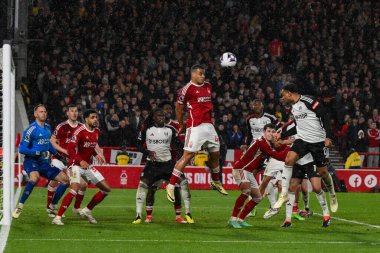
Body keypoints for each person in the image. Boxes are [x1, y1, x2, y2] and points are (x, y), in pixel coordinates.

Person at [166, 65, 227, 203]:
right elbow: (179, 108)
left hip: (209, 125)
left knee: (216, 153)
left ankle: (216, 181)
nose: (203, 76)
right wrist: (182, 124)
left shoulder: (208, 86)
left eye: (204, 74)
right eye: (200, 74)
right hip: (195, 126)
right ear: (193, 74)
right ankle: (170, 185)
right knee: (187, 155)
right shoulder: (186, 90)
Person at [274, 83, 338, 213]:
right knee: (288, 160)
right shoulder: (294, 107)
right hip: (303, 140)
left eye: (283, 95)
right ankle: (284, 194)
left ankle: (332, 194)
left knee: (323, 173)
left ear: (289, 93)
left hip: (317, 141)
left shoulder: (308, 101)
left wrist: (328, 137)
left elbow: (324, 116)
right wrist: (282, 134)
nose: (282, 98)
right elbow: (297, 125)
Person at [52, 109, 110, 225]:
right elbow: (70, 149)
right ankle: (57, 217)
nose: (95, 120)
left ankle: (87, 210)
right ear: (86, 119)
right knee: (74, 188)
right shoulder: (79, 131)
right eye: (93, 117)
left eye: (96, 117)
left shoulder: (96, 132)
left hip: (86, 166)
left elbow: (90, 147)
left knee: (106, 189)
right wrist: (81, 160)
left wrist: (97, 155)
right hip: (74, 165)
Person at [132, 109, 190, 224]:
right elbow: (138, 145)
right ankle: (140, 215)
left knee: (180, 185)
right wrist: (148, 152)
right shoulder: (146, 129)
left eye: (163, 115)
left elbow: (178, 144)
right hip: (152, 165)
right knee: (145, 186)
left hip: (168, 164)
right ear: (154, 117)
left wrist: (183, 156)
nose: (162, 117)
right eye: (159, 115)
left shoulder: (170, 129)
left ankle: (182, 215)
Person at [12, 104, 69, 219]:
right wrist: (37, 153)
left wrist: (59, 156)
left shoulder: (47, 127)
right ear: (35, 114)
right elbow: (22, 149)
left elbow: (48, 145)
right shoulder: (31, 129)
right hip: (31, 161)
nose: (43, 113)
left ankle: (52, 206)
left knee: (65, 180)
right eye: (41, 111)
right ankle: (20, 206)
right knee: (34, 178)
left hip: (44, 163)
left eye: (45, 111)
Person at [228, 124, 289, 228]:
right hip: (241, 168)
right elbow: (278, 156)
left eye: (273, 131)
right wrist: (290, 147)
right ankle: (232, 219)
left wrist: (287, 144)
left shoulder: (268, 144)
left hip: (249, 172)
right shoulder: (261, 142)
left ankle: (241, 219)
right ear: (264, 132)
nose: (271, 133)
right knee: (246, 191)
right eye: (269, 131)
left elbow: (278, 149)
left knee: (258, 197)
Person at [47, 104, 88, 217]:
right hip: (59, 158)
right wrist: (64, 151)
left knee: (83, 184)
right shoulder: (62, 126)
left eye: (76, 111)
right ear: (67, 113)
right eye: (72, 111)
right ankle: (50, 207)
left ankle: (76, 208)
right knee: (56, 181)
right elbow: (52, 141)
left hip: (72, 161)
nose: (74, 113)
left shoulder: (81, 127)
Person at [159, 100, 193, 223]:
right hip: (157, 162)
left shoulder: (176, 125)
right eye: (166, 109)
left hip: (172, 163)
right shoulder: (153, 126)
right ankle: (146, 215)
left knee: (180, 185)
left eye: (170, 109)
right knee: (151, 188)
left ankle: (184, 214)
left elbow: (183, 142)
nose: (168, 111)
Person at [282, 155, 331, 228]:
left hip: (312, 161)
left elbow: (327, 143)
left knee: (316, 188)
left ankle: (326, 214)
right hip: (298, 161)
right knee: (292, 188)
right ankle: (288, 219)